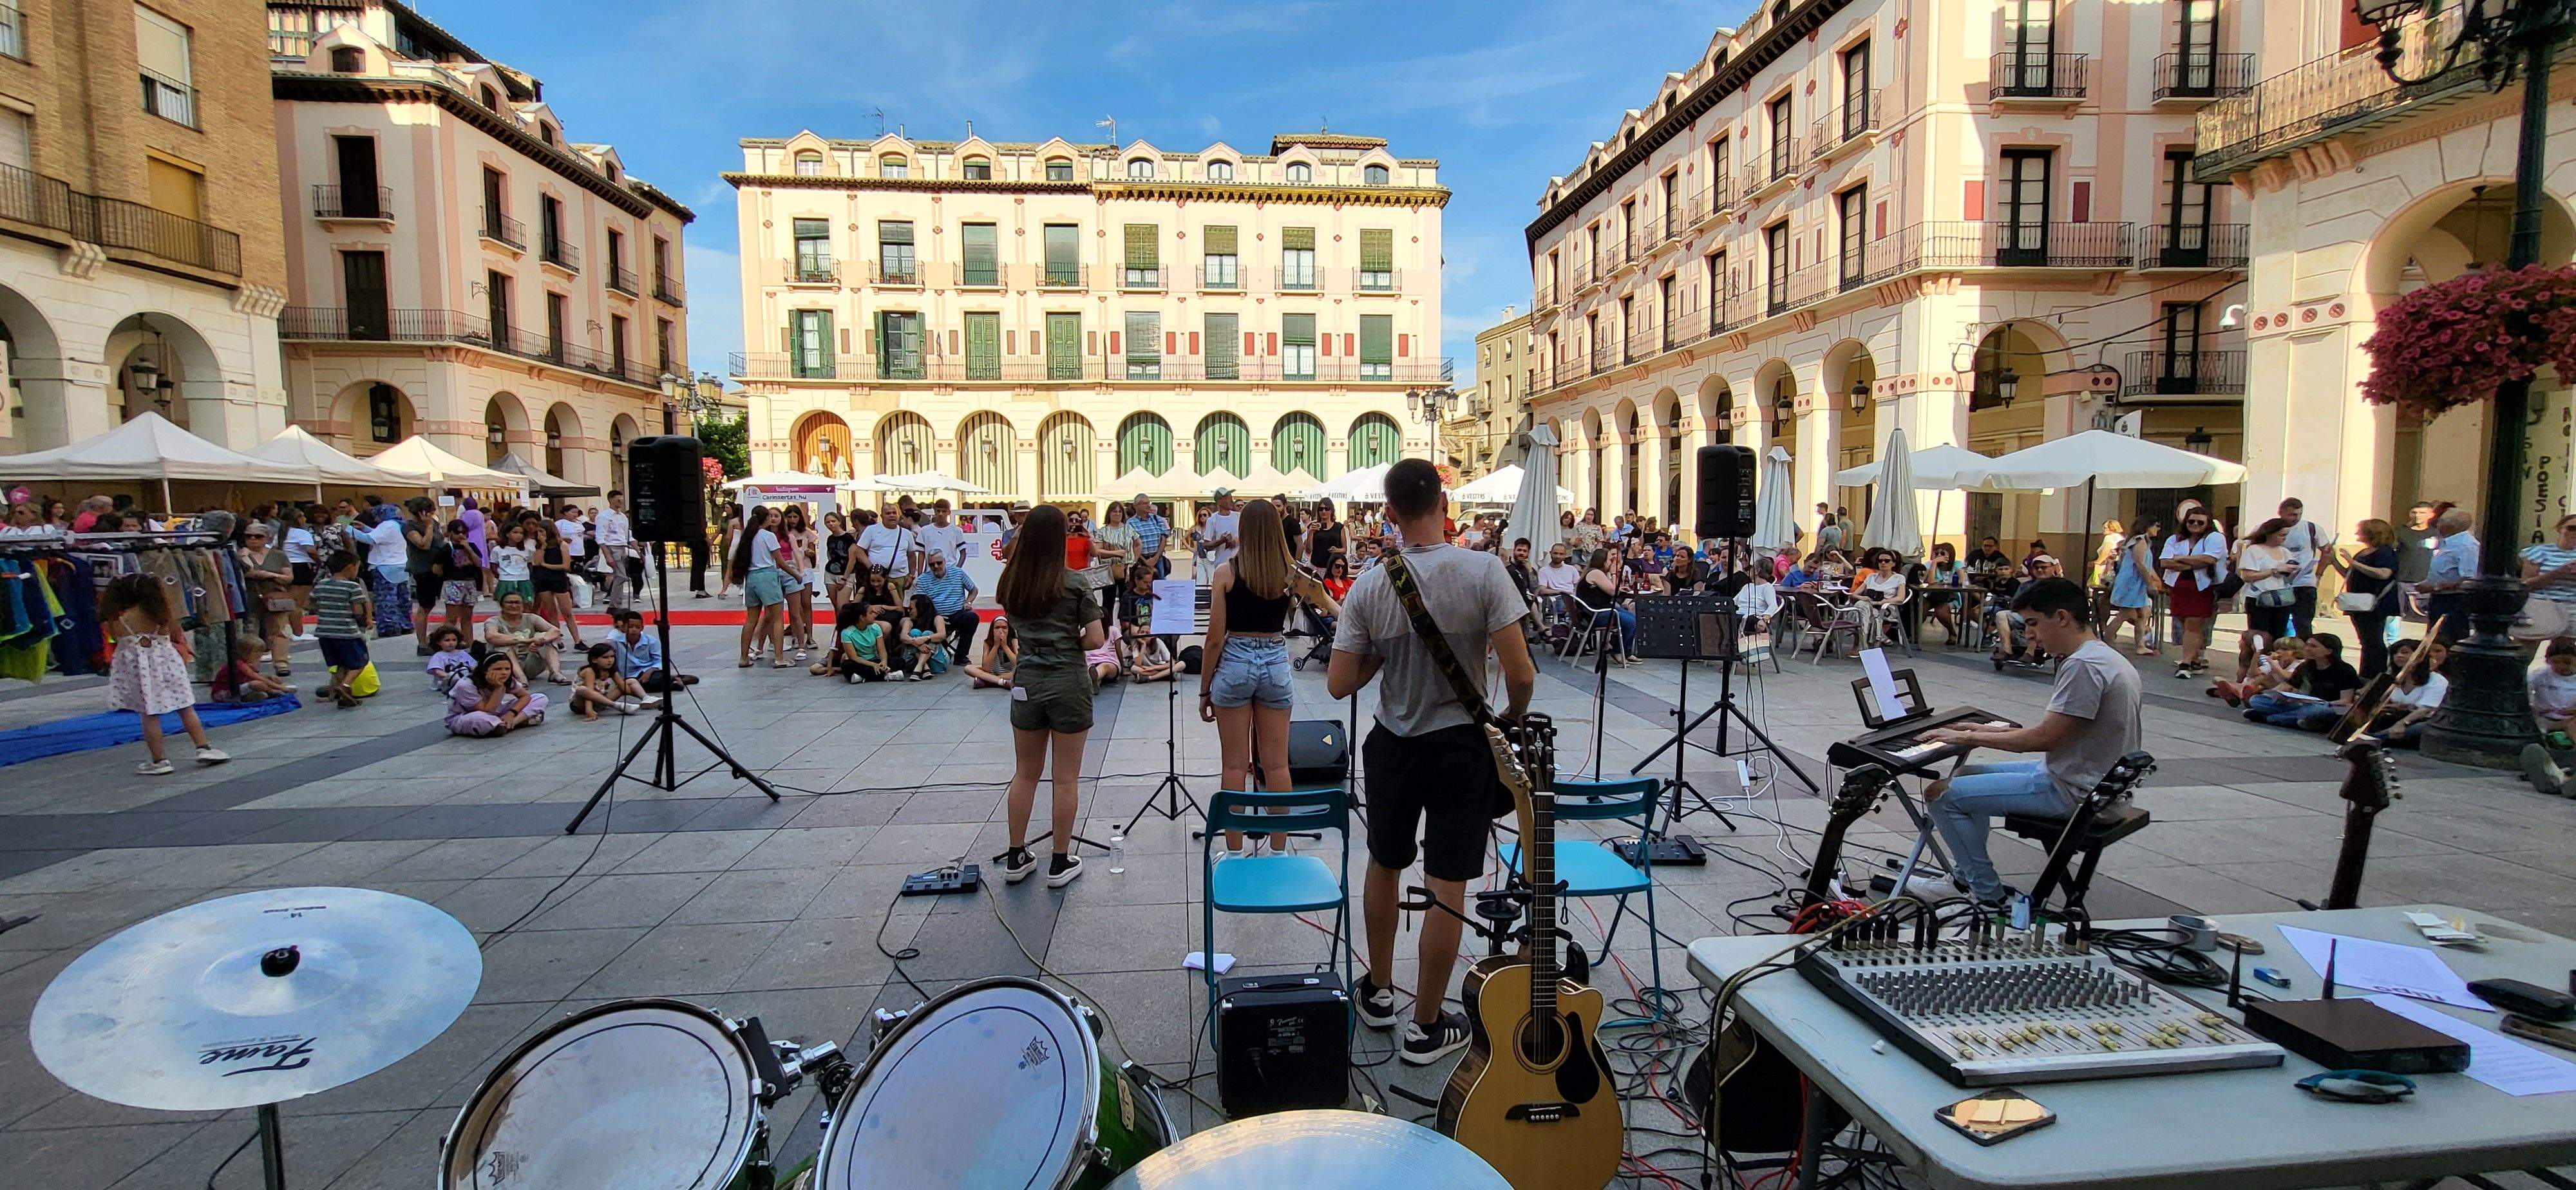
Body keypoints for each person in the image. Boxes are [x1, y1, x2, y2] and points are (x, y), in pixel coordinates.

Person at [1328, 457, 1537, 1065]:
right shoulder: (1484, 570)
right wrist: (1509, 716)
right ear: (1444, 502)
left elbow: (1341, 684)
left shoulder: (1371, 583)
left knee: (1385, 864)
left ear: (1389, 512)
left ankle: (1379, 992)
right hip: (1462, 746)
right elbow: (1521, 673)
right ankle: (1425, 1025)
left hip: (1393, 744)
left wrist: (1385, 652)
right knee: (1449, 881)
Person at [1919, 577, 2141, 907]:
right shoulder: (2104, 656)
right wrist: (1983, 732)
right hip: (2097, 784)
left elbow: (2043, 739)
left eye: (2034, 623)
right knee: (1965, 777)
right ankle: (1963, 876)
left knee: (1939, 795)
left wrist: (1968, 736)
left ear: (2063, 618)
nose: (2031, 634)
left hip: (2076, 793)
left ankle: (1985, 893)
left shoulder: (2083, 665)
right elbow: (2059, 731)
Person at [1202, 498, 1341, 855]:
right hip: (1275, 660)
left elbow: (1214, 638)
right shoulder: (1291, 573)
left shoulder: (1226, 573)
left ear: (1242, 529)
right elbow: (1332, 606)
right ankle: (1279, 850)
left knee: (1233, 765)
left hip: (1235, 660)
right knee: (1277, 765)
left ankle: (1233, 852)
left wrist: (1205, 690)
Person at [996, 505, 1104, 889]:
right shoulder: (1074, 583)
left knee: (1025, 772)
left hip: (1026, 681)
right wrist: (1066, 640)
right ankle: (1060, 860)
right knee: (1066, 777)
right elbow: (1095, 639)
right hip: (1067, 683)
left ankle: (1016, 855)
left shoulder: (1011, 582)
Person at [99, 572, 230, 774]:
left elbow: (117, 637)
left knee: (149, 715)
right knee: (186, 707)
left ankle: (159, 761)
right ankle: (203, 747)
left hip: (138, 668)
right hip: (167, 662)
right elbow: (175, 634)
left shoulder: (119, 618)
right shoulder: (161, 614)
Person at [2159, 507, 2230, 677]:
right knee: (2185, 624)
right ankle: (2195, 659)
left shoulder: (2215, 538)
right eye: (2191, 521)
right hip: (2178, 585)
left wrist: (2178, 559)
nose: (2195, 525)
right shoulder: (2174, 539)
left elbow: (2209, 559)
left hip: (2202, 587)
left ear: (2208, 523)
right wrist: (2192, 564)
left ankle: (2185, 663)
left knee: (2193, 625)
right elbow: (2164, 562)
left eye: (2200, 522)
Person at [2327, 519, 2401, 679]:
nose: (2356, 534)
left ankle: (2375, 673)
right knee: (2365, 640)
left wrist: (2353, 562)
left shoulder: (2384, 552)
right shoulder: (2362, 552)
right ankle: (2367, 672)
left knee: (2373, 639)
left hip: (2374, 603)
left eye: (2360, 531)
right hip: (2358, 602)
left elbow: (2384, 573)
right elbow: (2349, 573)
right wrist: (2333, 560)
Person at [2245, 634, 2366, 730]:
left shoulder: (2344, 670)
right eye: (2307, 645)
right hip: (2304, 702)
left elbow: (2345, 701)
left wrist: (2319, 702)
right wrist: (2279, 696)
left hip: (2328, 705)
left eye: (2313, 646)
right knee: (2256, 700)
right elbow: (2289, 686)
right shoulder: (2306, 666)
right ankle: (2292, 719)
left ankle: (2269, 718)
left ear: (2328, 651)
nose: (2307, 649)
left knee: (2317, 710)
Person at [307, 552, 372, 709]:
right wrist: (365, 621)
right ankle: (344, 686)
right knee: (359, 662)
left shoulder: (322, 584)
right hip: (347, 632)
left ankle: (341, 696)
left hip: (324, 632)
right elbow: (358, 610)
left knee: (339, 664)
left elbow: (308, 604)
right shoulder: (353, 586)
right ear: (351, 567)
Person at [732, 505, 793, 668]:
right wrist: (796, 575)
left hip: (751, 578)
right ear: (766, 519)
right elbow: (780, 561)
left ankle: (744, 657)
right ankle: (780, 658)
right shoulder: (768, 536)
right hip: (767, 576)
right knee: (777, 617)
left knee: (751, 619)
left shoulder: (748, 536)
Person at [238, 523, 297, 679]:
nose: (253, 539)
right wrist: (245, 556)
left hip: (275, 597)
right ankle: (251, 664)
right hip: (251, 598)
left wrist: (269, 575)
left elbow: (288, 577)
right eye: (249, 536)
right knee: (251, 633)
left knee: (278, 631)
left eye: (258, 536)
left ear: (267, 538)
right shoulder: (241, 555)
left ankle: (281, 663)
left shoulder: (278, 555)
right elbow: (248, 573)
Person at [2235, 518, 2299, 654]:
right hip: (2259, 598)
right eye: (2281, 535)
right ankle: (2257, 662)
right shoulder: (2254, 551)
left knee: (2279, 635)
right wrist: (2273, 571)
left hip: (2281, 598)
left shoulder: (2285, 552)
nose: (2284, 539)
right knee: (2260, 637)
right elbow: (2247, 576)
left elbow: (2288, 578)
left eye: (2286, 536)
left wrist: (2291, 571)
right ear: (2271, 533)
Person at [911, 548, 982, 667]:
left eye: (939, 563)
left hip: (957, 614)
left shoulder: (958, 573)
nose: (936, 566)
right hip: (934, 617)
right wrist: (936, 617)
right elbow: (922, 604)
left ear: (944, 561)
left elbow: (974, 590)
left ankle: (961, 656)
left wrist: (968, 603)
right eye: (932, 564)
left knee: (972, 617)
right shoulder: (923, 579)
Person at [447, 651, 547, 736]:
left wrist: (511, 714)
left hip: (498, 713)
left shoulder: (507, 679)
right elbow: (487, 711)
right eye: (498, 669)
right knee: (480, 719)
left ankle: (511, 723)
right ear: (485, 671)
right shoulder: (466, 685)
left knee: (540, 698)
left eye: (507, 669)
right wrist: (498, 687)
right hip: (467, 716)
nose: (504, 673)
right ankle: (509, 723)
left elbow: (525, 696)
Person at [480, 590, 568, 684]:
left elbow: (555, 631)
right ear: (502, 605)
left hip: (531, 662)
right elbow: (491, 636)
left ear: (523, 605)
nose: (514, 606)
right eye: (510, 603)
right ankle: (520, 679)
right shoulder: (493, 621)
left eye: (517, 603)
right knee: (503, 648)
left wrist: (541, 641)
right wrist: (528, 640)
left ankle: (555, 673)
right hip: (505, 666)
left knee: (547, 640)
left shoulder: (531, 618)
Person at [2423, 507, 2478, 643]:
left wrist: (2436, 587)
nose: (2437, 525)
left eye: (2440, 521)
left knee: (2448, 639)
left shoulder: (2466, 545)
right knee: (2434, 639)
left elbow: (2469, 578)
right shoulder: (2446, 543)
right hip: (2439, 599)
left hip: (2454, 601)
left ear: (2452, 525)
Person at [1575, 547, 1638, 663]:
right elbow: (1613, 592)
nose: (1612, 563)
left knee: (1633, 618)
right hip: (1594, 614)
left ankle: (1626, 652)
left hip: (1601, 610)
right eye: (1610, 560)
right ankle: (1617, 651)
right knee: (1630, 622)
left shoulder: (1598, 573)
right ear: (1602, 561)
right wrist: (1614, 574)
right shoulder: (1596, 573)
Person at [429, 519, 486, 643]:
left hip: (469, 583)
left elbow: (478, 563)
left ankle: (469, 642)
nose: (461, 535)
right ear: (450, 533)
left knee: (467, 617)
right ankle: (447, 642)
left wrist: (469, 549)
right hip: (453, 582)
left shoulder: (471, 546)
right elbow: (436, 569)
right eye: (457, 532)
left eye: (464, 532)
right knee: (452, 617)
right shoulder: (445, 549)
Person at [531, 520, 584, 650]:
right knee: (551, 612)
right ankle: (557, 640)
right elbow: (536, 562)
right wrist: (543, 546)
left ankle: (577, 640)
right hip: (543, 580)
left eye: (542, 532)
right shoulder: (539, 546)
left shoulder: (562, 545)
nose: (540, 534)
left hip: (558, 579)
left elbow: (565, 566)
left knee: (567, 612)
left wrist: (546, 565)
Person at [812, 601, 893, 682]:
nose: (875, 615)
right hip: (841, 657)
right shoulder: (843, 631)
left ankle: (861, 676)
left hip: (863, 659)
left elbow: (881, 650)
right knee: (816, 669)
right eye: (871, 613)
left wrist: (883, 662)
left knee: (897, 662)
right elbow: (833, 650)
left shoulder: (872, 627)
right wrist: (830, 668)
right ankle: (885, 676)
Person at [778, 504, 819, 654]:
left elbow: (814, 557)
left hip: (806, 569)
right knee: (794, 605)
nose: (792, 519)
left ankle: (810, 636)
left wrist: (811, 554)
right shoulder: (783, 534)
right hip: (790, 569)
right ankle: (796, 635)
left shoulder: (807, 533)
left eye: (795, 516)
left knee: (806, 603)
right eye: (789, 517)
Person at [573, 643, 654, 719]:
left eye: (612, 657)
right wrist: (589, 711)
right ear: (594, 660)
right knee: (582, 690)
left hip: (601, 702)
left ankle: (647, 698)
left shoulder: (610, 671)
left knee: (631, 681)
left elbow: (623, 687)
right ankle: (618, 706)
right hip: (580, 705)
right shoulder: (589, 671)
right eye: (605, 657)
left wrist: (636, 693)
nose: (610, 660)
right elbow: (589, 693)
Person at [607, 606, 674, 693]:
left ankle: (671, 681)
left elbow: (660, 661)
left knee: (657, 679)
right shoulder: (615, 642)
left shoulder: (651, 641)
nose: (634, 630)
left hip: (648, 671)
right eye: (630, 627)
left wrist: (650, 672)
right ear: (623, 628)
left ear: (642, 628)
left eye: (637, 627)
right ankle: (673, 682)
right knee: (637, 685)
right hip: (628, 675)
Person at [859, 502, 918, 598]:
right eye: (888, 513)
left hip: (900, 577)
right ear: (882, 516)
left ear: (899, 515)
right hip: (877, 579)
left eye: (894, 513)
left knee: (899, 608)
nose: (892, 516)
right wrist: (871, 567)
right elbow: (858, 551)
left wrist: (911, 575)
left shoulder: (906, 533)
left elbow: (912, 556)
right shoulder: (871, 530)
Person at [1091, 502, 1137, 619]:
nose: (1117, 514)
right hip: (1109, 571)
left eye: (1120, 511)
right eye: (1115, 511)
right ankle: (1109, 629)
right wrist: (1115, 553)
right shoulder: (1103, 531)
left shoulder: (1128, 529)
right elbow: (1097, 551)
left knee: (1126, 600)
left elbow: (1138, 544)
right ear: (1109, 514)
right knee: (1108, 602)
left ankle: (1125, 628)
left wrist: (1134, 560)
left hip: (1126, 570)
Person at [211, 637, 290, 704]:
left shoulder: (249, 663)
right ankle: (271, 692)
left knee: (273, 679)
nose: (260, 654)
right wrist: (281, 688)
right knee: (257, 684)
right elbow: (257, 678)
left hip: (241, 687)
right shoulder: (239, 664)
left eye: (261, 651)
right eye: (256, 652)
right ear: (245, 652)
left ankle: (253, 696)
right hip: (225, 692)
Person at [893, 592, 950, 681]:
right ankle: (924, 668)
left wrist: (925, 639)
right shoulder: (909, 621)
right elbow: (903, 637)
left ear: (921, 609)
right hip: (912, 663)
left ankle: (920, 667)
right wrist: (917, 644)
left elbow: (942, 635)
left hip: (937, 662)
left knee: (928, 633)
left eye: (911, 608)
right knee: (914, 632)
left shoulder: (937, 618)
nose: (908, 611)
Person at [596, 490, 637, 610]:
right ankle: (614, 604)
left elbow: (627, 535)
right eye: (618, 499)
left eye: (622, 499)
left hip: (622, 547)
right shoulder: (604, 516)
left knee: (621, 576)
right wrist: (607, 555)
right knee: (621, 575)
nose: (621, 501)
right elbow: (600, 537)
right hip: (612, 547)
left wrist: (638, 550)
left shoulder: (623, 517)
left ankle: (616, 602)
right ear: (611, 499)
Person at [1200, 489, 1243, 580]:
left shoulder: (1239, 516)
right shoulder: (1212, 520)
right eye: (1228, 498)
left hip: (1240, 565)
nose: (1232, 501)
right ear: (1219, 502)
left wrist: (1237, 540)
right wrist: (1222, 540)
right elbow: (1206, 545)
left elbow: (1248, 537)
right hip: (1222, 565)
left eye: (1232, 498)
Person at [964, 618, 1017, 689]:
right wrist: (996, 646)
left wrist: (1005, 646)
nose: (1001, 631)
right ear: (993, 630)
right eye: (997, 628)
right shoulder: (987, 643)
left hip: (1009, 673)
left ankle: (989, 681)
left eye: (1004, 628)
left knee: (1021, 672)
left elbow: (1017, 664)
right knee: (968, 668)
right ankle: (1002, 682)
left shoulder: (1013, 641)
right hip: (991, 672)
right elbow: (986, 668)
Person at [1130, 495, 1173, 578]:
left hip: (1158, 559)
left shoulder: (1157, 519)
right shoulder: (1131, 523)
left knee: (1159, 587)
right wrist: (1145, 561)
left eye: (1149, 503)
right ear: (1136, 506)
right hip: (1141, 561)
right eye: (1145, 503)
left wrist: (1155, 558)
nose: (1149, 505)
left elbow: (1163, 540)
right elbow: (1132, 545)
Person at [424, 626, 476, 694]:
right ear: (439, 642)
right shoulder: (438, 656)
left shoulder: (463, 654)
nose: (451, 643)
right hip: (446, 681)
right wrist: (450, 676)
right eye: (447, 640)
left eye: (454, 640)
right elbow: (437, 671)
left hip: (465, 678)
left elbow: (473, 666)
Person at [1307, 500, 1346, 571]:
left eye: (1327, 509)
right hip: (1316, 566)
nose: (1324, 511)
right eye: (1321, 509)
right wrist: (1310, 533)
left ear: (1332, 511)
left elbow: (1345, 549)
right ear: (1318, 511)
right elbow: (1308, 550)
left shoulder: (1339, 527)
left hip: (1333, 568)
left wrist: (1337, 550)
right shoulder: (1313, 526)